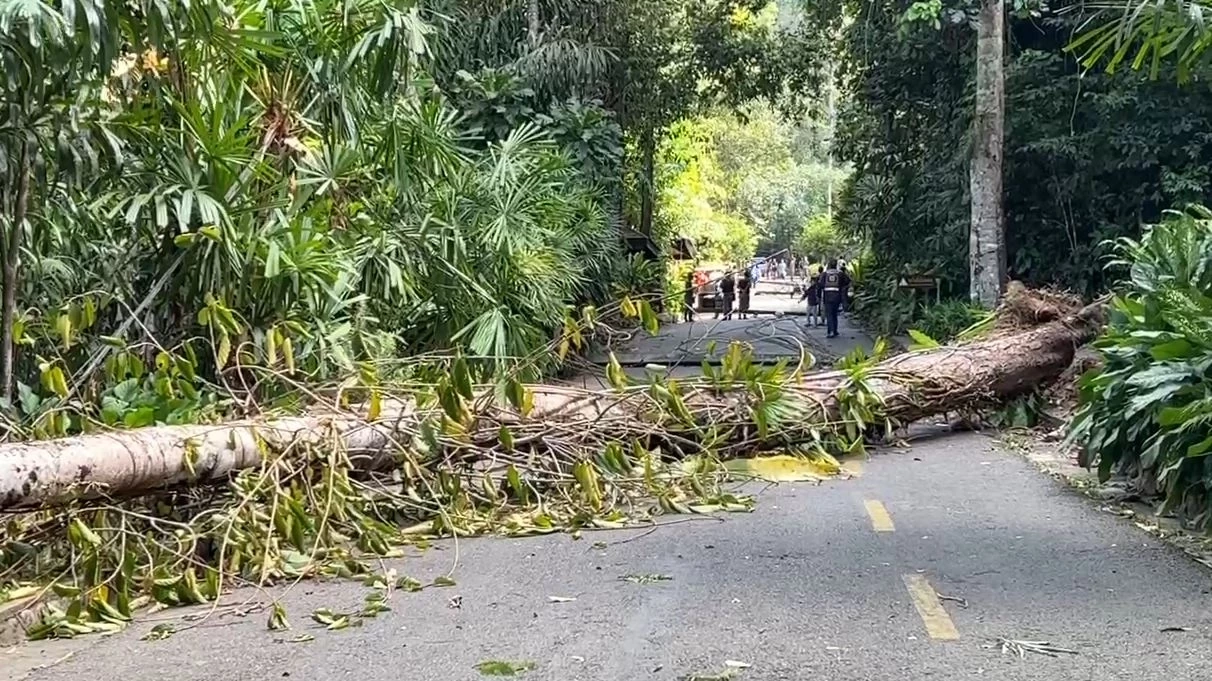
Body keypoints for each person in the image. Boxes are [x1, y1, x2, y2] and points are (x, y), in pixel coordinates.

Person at [819, 258, 850, 339]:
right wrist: (841, 287)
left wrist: (819, 296)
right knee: (834, 313)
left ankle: (830, 331)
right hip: (837, 296)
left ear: (829, 265)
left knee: (829, 314)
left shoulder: (825, 274)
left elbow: (820, 284)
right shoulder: (840, 274)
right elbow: (847, 281)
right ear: (836, 265)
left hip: (827, 296)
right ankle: (835, 330)